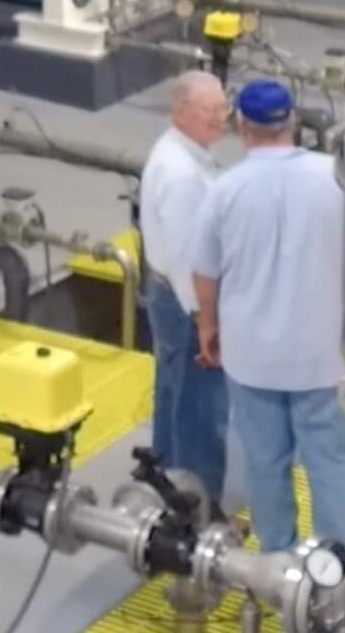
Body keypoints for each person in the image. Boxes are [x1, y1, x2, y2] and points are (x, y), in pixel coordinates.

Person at [189, 79, 345, 551]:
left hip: (251, 356)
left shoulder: (225, 190)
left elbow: (205, 272)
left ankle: (278, 567)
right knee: (332, 460)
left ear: (241, 128)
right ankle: (338, 563)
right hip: (320, 353)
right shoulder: (337, 179)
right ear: (294, 124)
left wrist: (208, 326)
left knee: (265, 461)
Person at [139, 72, 229, 505]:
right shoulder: (181, 175)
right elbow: (185, 257)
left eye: (222, 108)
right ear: (180, 111)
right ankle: (199, 511)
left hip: (172, 298)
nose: (220, 118)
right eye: (209, 110)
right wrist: (205, 320)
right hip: (186, 307)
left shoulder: (186, 156)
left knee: (176, 396)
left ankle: (166, 486)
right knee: (199, 413)